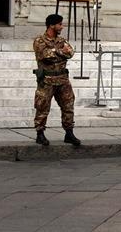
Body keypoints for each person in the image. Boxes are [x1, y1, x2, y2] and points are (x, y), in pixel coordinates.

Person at [32, 14, 81, 146]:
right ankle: (40, 134)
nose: (62, 27)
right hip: (47, 80)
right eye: (60, 24)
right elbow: (44, 55)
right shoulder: (39, 41)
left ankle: (69, 133)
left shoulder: (62, 40)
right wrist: (60, 52)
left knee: (68, 106)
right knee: (42, 107)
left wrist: (55, 51)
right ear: (51, 25)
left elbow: (70, 53)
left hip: (63, 80)